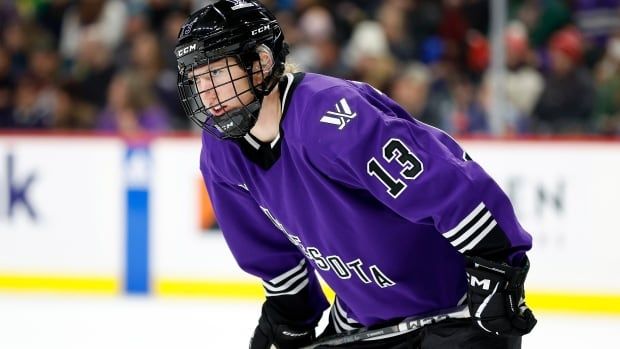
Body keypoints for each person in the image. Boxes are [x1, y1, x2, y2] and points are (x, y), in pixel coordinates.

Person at [174, 1, 537, 348]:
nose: (205, 92)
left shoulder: (331, 117)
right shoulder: (221, 152)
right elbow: (268, 251)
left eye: (216, 72)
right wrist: (290, 312)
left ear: (260, 62)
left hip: (459, 305)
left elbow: (447, 185)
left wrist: (496, 266)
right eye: (196, 79)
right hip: (365, 321)